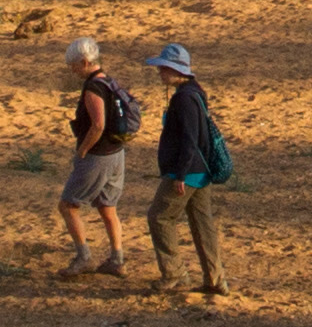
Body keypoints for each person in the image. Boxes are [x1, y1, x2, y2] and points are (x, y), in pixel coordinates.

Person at [147, 41, 228, 302]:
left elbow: (189, 139)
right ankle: (215, 280)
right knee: (202, 224)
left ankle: (174, 274)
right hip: (200, 171)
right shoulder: (195, 93)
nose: (160, 73)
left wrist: (179, 174)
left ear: (175, 69)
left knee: (159, 217)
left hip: (187, 172)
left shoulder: (183, 99)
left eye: (163, 68)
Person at [57, 37, 141, 281]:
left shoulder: (93, 88)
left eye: (74, 65)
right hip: (117, 154)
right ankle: (117, 259)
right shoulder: (109, 82)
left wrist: (82, 150)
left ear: (84, 62)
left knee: (68, 205)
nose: (72, 70)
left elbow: (97, 125)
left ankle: (83, 257)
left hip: (98, 156)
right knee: (107, 207)